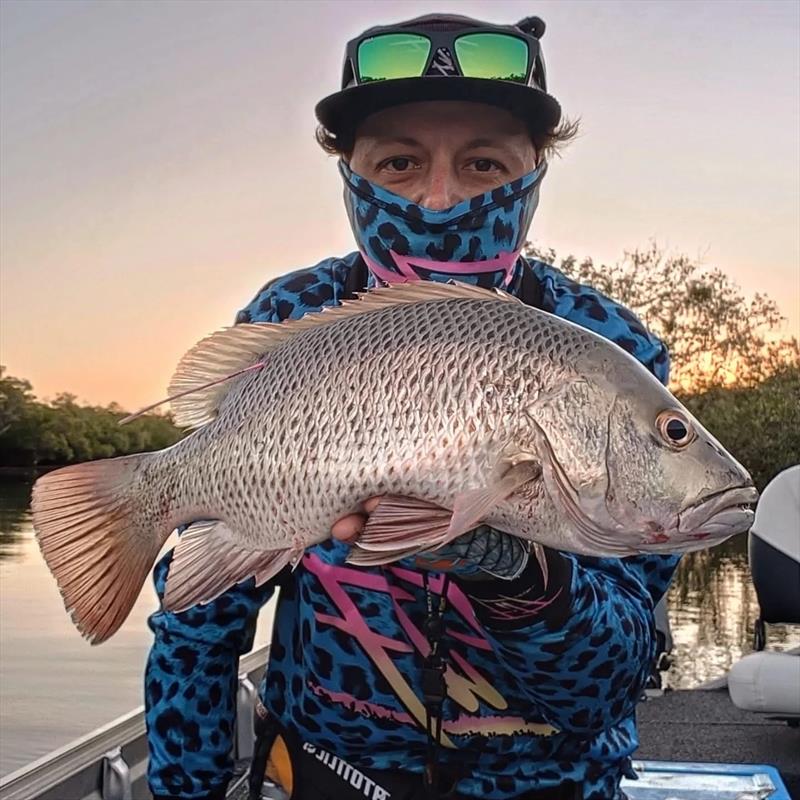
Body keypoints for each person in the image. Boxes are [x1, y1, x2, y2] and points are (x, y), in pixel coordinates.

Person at [144, 13, 679, 800]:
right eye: (399, 161)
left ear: (536, 171)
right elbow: (201, 618)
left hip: (546, 783)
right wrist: (185, 789)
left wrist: (518, 573)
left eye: (484, 163)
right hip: (328, 773)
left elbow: (605, 687)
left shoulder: (610, 348)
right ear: (350, 172)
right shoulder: (292, 315)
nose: (438, 198)